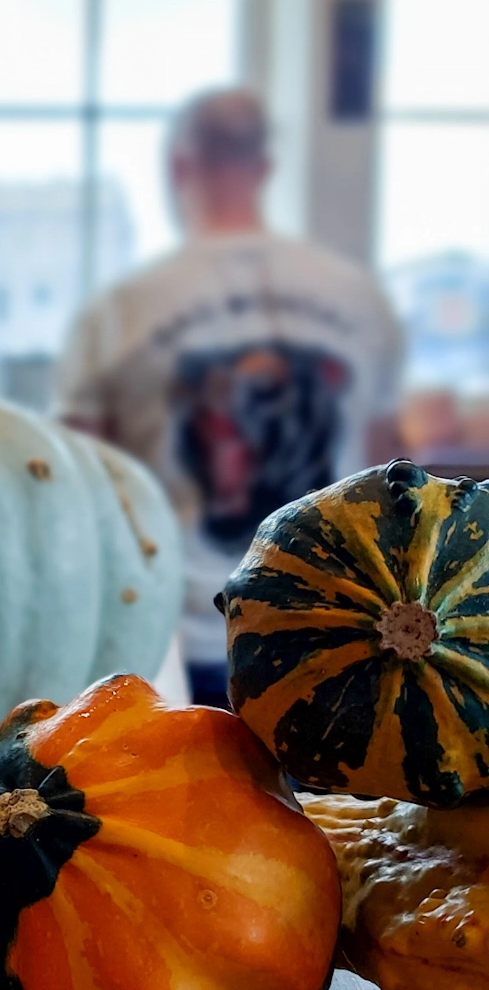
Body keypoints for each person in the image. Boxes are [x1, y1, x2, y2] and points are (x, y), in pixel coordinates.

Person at [56, 88, 404, 706]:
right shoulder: (359, 297)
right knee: (346, 808)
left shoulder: (118, 312)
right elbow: (393, 483)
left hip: (185, 632)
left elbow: (80, 499)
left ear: (178, 168)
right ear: (265, 168)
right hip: (343, 634)